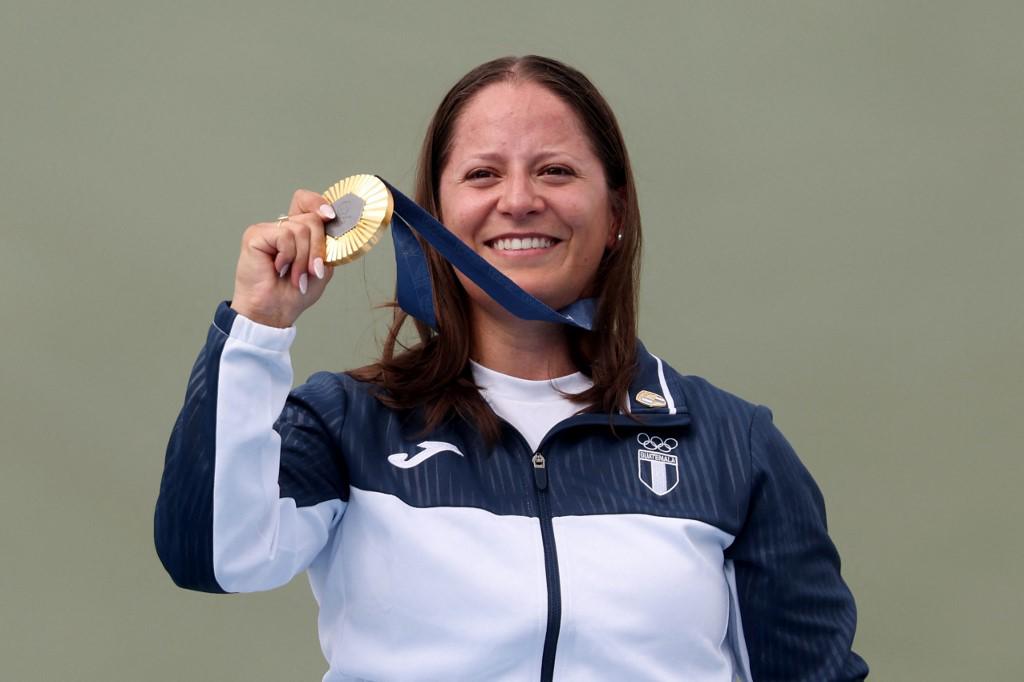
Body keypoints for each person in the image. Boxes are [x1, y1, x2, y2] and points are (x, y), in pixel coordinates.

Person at [155, 55, 868, 681]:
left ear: (615, 212)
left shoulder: (731, 447)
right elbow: (213, 555)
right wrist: (259, 324)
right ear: (433, 217)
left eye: (555, 170)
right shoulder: (350, 425)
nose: (519, 199)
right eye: (482, 174)